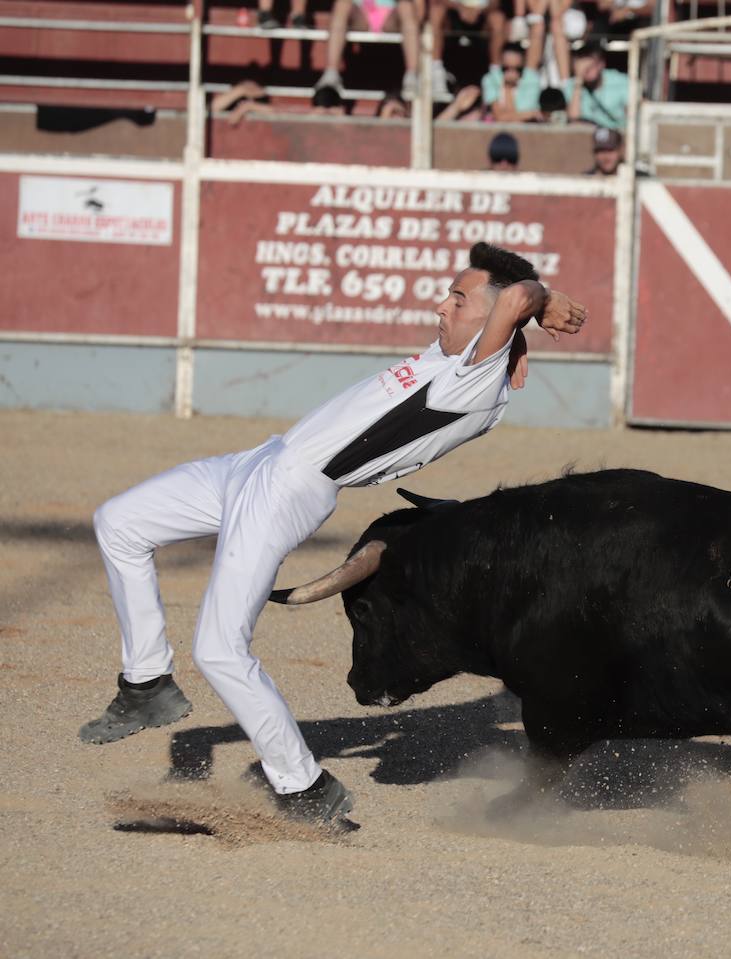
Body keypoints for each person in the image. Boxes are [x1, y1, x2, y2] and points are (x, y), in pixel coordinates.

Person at [79, 243, 587, 825]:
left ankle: (304, 789)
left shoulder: (469, 382)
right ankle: (146, 686)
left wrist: (539, 304)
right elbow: (506, 307)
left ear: (495, 315)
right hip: (258, 462)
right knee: (119, 521)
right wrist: (517, 333)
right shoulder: (454, 357)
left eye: (458, 298)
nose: (440, 307)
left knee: (219, 650)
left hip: (285, 491)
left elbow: (520, 294)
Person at [315, 0, 422, 102]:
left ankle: (411, 75)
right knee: (342, 4)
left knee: (407, 7)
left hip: (391, 13)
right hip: (361, 13)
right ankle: (331, 72)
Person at [428, 0, 509, 101]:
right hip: (453, 16)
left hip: (482, 17)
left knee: (498, 18)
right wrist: (460, 8)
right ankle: (436, 71)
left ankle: (495, 75)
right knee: (436, 11)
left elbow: (496, 3)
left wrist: (479, 10)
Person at [564, 41, 630, 130]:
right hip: (586, 135)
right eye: (581, 69)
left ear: (601, 64)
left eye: (589, 68)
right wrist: (578, 83)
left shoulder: (621, 81)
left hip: (616, 134)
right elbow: (573, 119)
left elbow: (632, 115)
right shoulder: (571, 85)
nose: (586, 73)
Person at [482, 42, 544, 122]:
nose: (511, 72)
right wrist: (508, 87)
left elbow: (515, 120)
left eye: (517, 69)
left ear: (523, 65)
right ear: (501, 64)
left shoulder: (532, 79)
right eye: (506, 68)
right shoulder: (490, 78)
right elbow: (500, 117)